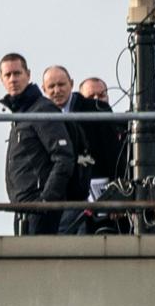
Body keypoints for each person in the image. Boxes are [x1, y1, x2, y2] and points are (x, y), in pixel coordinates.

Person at [44, 66, 126, 234]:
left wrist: (117, 195)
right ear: (44, 89)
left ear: (71, 84)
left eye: (61, 84)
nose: (57, 90)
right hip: (59, 197)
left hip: (94, 196)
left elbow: (114, 155)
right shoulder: (41, 115)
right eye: (51, 87)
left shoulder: (95, 109)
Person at [0, 53, 74, 235]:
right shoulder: (21, 113)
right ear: (1, 79)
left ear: (28, 74)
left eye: (17, 73)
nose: (13, 79)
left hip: (38, 207)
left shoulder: (42, 109)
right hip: (23, 206)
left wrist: (46, 200)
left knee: (39, 261)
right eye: (7, 75)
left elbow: (64, 156)